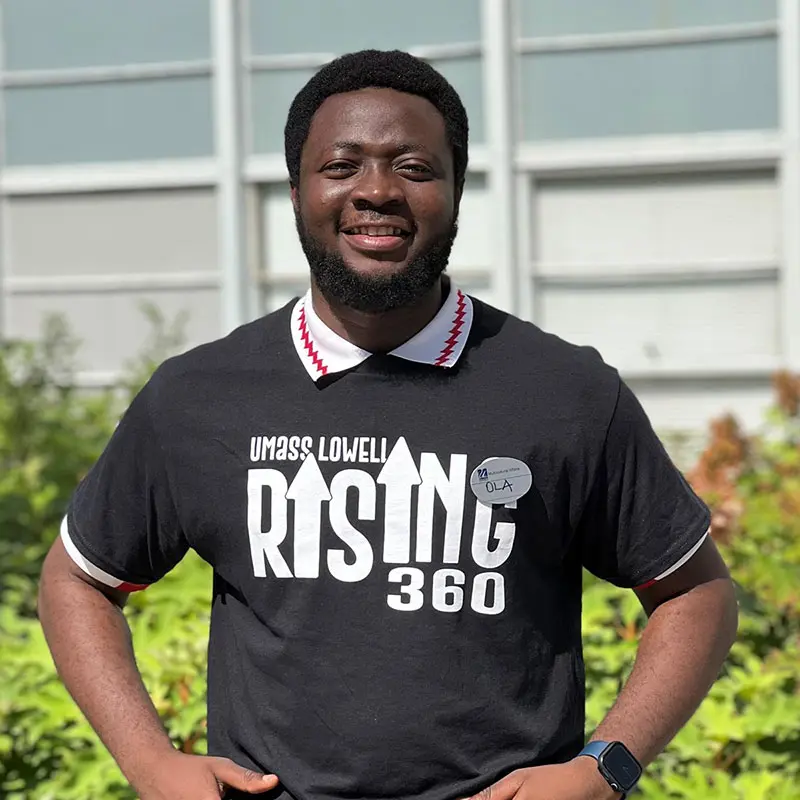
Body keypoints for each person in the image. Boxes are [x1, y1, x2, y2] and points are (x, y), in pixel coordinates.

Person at [38, 49, 738, 800]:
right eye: (341, 166)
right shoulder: (197, 396)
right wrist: (150, 763)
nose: (376, 191)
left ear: (457, 191)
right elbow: (78, 580)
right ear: (298, 191)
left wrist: (605, 769)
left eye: (414, 167)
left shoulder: (566, 392)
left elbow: (695, 593)